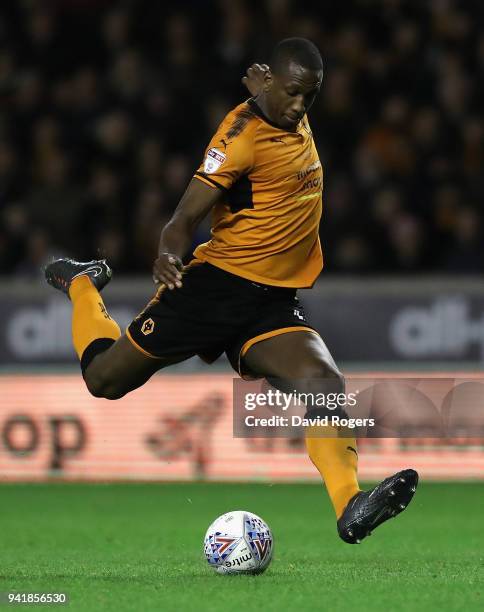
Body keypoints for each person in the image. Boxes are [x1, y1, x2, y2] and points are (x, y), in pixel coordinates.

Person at [45, 38, 418, 544]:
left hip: (269, 301)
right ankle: (82, 283)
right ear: (273, 84)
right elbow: (183, 218)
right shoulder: (240, 138)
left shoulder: (282, 103)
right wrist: (167, 254)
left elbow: (275, 96)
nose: (299, 106)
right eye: (291, 94)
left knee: (323, 383)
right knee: (104, 380)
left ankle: (349, 505)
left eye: (310, 96)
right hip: (212, 289)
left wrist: (265, 88)